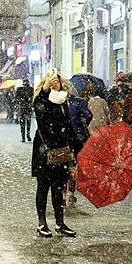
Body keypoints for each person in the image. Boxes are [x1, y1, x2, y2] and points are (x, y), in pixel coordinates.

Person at [32, 70, 78, 238]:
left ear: (61, 83)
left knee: (59, 189)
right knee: (43, 187)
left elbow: (68, 125)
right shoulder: (40, 100)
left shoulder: (63, 101)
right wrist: (45, 90)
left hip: (61, 150)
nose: (54, 83)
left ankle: (60, 223)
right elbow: (41, 112)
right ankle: (42, 223)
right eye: (50, 81)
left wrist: (77, 146)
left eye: (56, 81)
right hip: (44, 150)